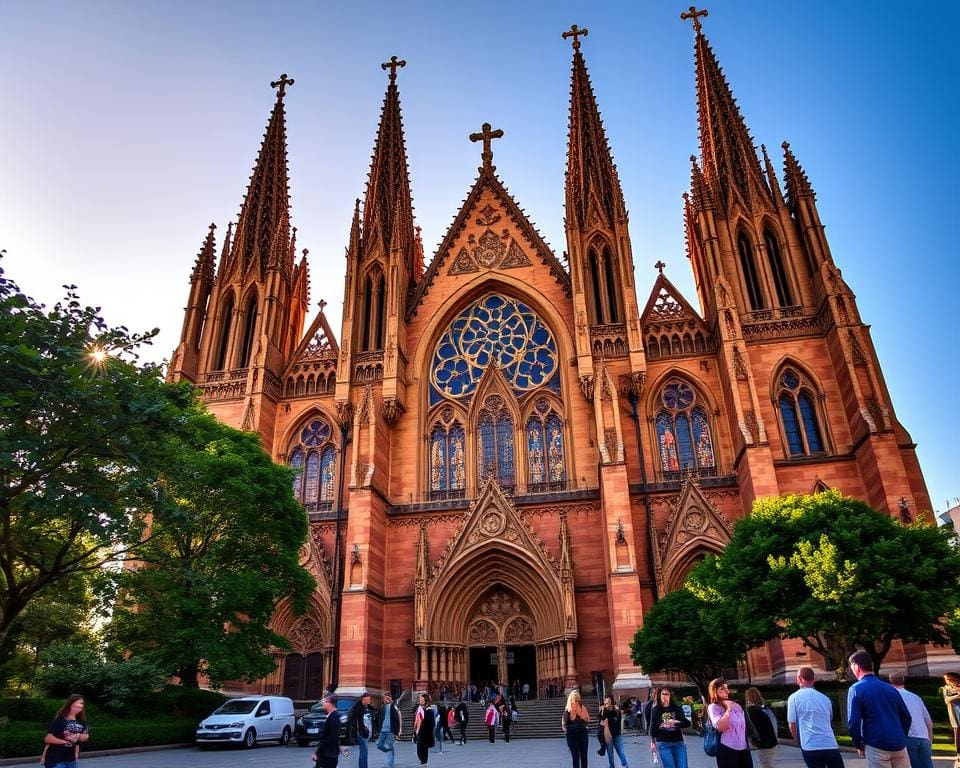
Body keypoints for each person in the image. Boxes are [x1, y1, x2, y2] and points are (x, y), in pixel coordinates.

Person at [847, 650, 911, 768]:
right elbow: (906, 717)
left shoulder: (856, 689)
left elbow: (853, 722)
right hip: (898, 743)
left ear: (856, 667)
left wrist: (858, 744)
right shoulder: (890, 688)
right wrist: (901, 736)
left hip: (876, 743)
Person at [787, 666, 844, 768]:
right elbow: (829, 721)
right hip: (830, 744)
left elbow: (792, 724)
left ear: (800, 678)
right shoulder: (825, 699)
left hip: (810, 745)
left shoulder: (794, 698)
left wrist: (798, 740)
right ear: (814, 679)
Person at [888, 672, 933, 768]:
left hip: (908, 737)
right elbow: (928, 721)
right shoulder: (915, 697)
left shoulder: (892, 696)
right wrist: (929, 739)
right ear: (903, 681)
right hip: (924, 737)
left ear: (890, 683)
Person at [707, 678, 752, 768]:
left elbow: (744, 726)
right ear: (715, 691)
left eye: (727, 688)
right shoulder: (713, 707)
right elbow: (721, 727)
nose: (727, 691)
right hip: (727, 749)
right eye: (722, 689)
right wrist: (728, 710)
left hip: (744, 748)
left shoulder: (736, 705)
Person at [43, 694, 89, 768]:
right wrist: (66, 741)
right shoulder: (60, 719)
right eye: (79, 703)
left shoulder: (81, 721)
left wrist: (78, 736)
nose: (81, 706)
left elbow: (86, 736)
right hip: (56, 760)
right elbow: (48, 738)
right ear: (71, 704)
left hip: (71, 760)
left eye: (82, 703)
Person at [649, 686, 688, 768]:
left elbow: (686, 723)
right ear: (659, 695)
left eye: (667, 694)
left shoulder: (677, 708)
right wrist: (652, 741)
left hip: (678, 742)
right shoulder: (655, 710)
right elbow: (652, 728)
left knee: (683, 766)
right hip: (663, 743)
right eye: (662, 694)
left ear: (670, 696)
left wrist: (676, 722)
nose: (664, 696)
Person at [744, 687, 778, 768]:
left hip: (763, 744)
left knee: (764, 765)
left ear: (748, 697)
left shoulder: (751, 710)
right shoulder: (764, 708)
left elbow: (750, 727)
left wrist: (752, 741)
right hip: (772, 742)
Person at [313, 695, 350, 768]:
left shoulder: (335, 717)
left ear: (330, 704)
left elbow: (332, 736)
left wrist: (319, 751)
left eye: (325, 702)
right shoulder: (332, 715)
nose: (323, 703)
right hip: (328, 752)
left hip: (329, 752)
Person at [598, 694, 630, 768]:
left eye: (609, 699)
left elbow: (617, 719)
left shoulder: (616, 710)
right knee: (610, 752)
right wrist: (604, 710)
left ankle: (625, 764)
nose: (607, 701)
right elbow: (600, 720)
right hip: (607, 734)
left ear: (612, 700)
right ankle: (611, 766)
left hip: (616, 734)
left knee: (620, 751)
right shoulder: (602, 710)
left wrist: (613, 709)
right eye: (606, 699)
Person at [562, 689, 591, 768]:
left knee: (584, 755)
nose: (575, 701)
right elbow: (564, 724)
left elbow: (588, 720)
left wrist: (581, 714)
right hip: (572, 734)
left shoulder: (583, 708)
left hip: (583, 733)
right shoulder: (567, 710)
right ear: (570, 700)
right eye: (574, 699)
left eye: (577, 699)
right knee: (575, 756)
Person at [376, 693, 400, 768]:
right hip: (383, 730)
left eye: (387, 698)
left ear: (390, 699)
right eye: (385, 698)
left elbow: (397, 718)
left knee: (390, 747)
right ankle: (389, 751)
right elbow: (379, 719)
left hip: (390, 730)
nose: (386, 700)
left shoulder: (394, 707)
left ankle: (390, 765)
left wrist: (398, 730)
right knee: (379, 745)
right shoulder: (382, 708)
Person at [348, 692, 372, 768]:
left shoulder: (364, 707)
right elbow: (352, 718)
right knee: (363, 752)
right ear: (363, 699)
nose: (369, 702)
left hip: (364, 732)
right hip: (360, 732)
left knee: (364, 751)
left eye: (369, 700)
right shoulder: (358, 707)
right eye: (367, 700)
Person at [942, 673, 960, 768]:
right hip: (955, 714)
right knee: (957, 734)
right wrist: (957, 696)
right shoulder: (946, 688)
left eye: (947, 679)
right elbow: (947, 700)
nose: (946, 680)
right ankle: (959, 754)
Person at [414, 692, 436, 766]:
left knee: (423, 749)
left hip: (426, 733)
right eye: (420, 699)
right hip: (421, 732)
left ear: (425, 701)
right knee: (419, 749)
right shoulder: (421, 709)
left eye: (421, 699)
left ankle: (424, 762)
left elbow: (431, 723)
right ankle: (423, 761)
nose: (420, 701)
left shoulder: (429, 710)